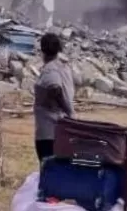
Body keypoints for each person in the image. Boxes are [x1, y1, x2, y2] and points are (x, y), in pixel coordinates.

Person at [33, 32, 75, 163]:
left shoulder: (50, 69)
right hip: (63, 129)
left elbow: (55, 87)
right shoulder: (64, 67)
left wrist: (55, 104)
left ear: (42, 49)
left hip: (50, 130)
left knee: (48, 168)